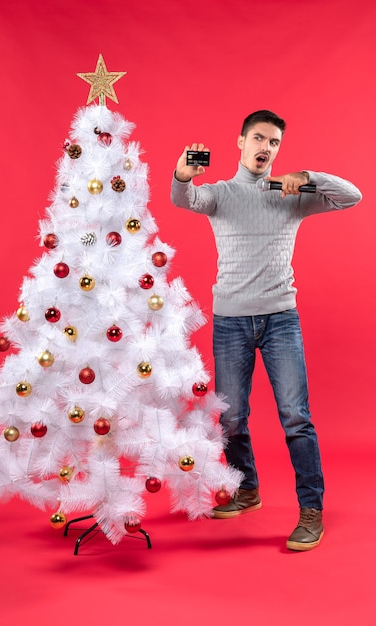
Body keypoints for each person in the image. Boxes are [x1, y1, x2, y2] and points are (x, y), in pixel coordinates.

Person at [170, 110, 362, 551]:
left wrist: (308, 176)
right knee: (232, 416)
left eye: (273, 142)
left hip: (280, 320)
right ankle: (248, 489)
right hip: (230, 321)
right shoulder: (219, 194)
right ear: (240, 142)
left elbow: (352, 195)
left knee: (296, 417)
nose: (265, 148)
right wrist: (181, 173)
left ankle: (311, 511)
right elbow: (184, 199)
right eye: (258, 138)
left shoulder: (290, 193)